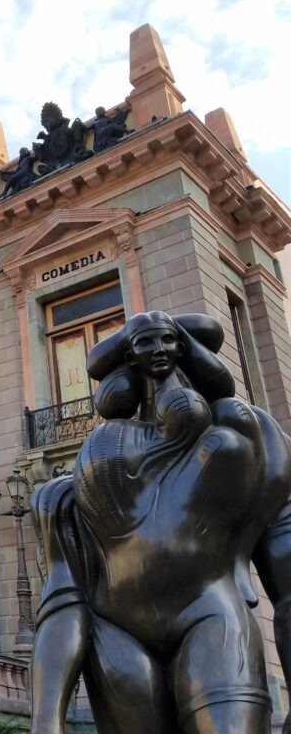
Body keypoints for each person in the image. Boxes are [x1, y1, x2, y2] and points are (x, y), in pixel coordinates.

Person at [30, 311, 291, 733]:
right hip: (116, 634)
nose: (159, 353)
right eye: (145, 343)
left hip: (210, 615)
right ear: (130, 358)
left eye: (169, 341)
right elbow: (63, 597)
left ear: (185, 348)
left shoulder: (241, 436)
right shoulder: (78, 476)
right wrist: (46, 721)